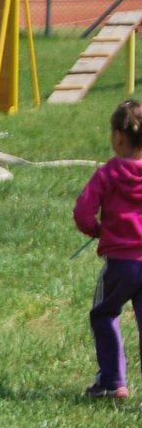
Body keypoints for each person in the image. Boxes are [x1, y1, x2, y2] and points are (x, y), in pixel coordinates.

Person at [73, 99, 142, 400]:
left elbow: (83, 213)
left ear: (118, 136)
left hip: (120, 266)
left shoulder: (109, 173)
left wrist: (97, 230)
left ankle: (112, 382)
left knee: (103, 313)